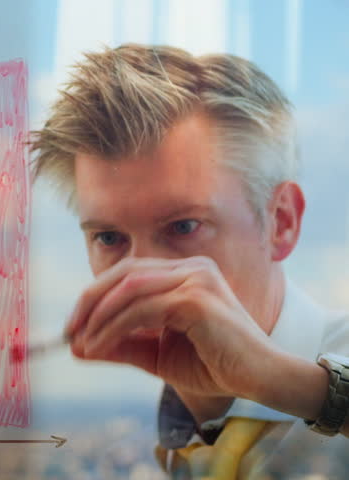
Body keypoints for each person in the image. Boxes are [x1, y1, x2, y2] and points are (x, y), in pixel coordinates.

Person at [29, 43, 349, 478]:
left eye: (183, 227)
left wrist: (290, 385)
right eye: (108, 237)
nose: (136, 276)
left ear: (282, 222)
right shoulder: (134, 452)